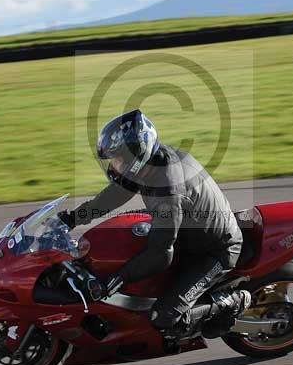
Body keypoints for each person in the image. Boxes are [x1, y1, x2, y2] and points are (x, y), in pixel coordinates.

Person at [59, 109, 251, 340]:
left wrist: (120, 277)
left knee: (165, 318)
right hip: (188, 237)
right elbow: (114, 196)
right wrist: (71, 219)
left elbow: (161, 255)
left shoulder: (167, 190)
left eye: (117, 159)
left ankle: (232, 301)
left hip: (215, 251)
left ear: (137, 156)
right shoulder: (151, 164)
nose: (113, 166)